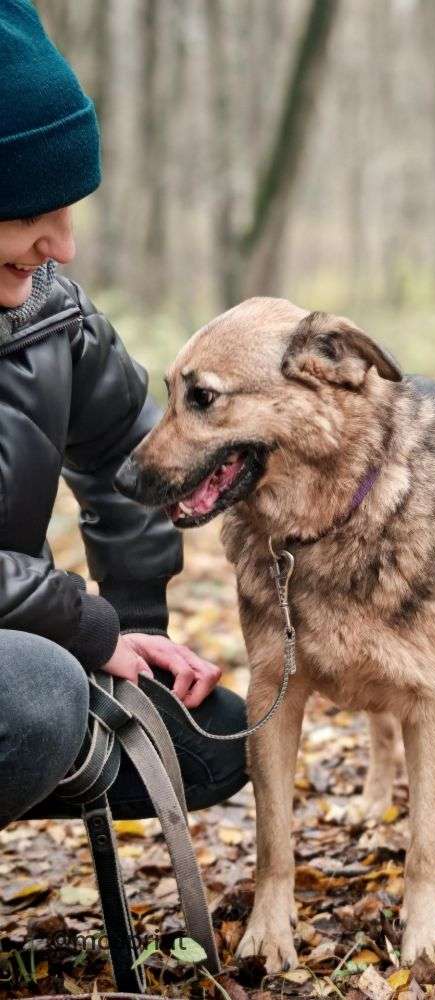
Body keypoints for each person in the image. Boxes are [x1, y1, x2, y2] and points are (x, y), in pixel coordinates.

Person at [0, 0, 248, 829]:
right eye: (33, 214)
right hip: (24, 660)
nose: (62, 247)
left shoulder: (47, 310)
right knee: (34, 698)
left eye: (70, 211)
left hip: (23, 631)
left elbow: (132, 454)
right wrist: (87, 632)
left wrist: (136, 633)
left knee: (216, 739)